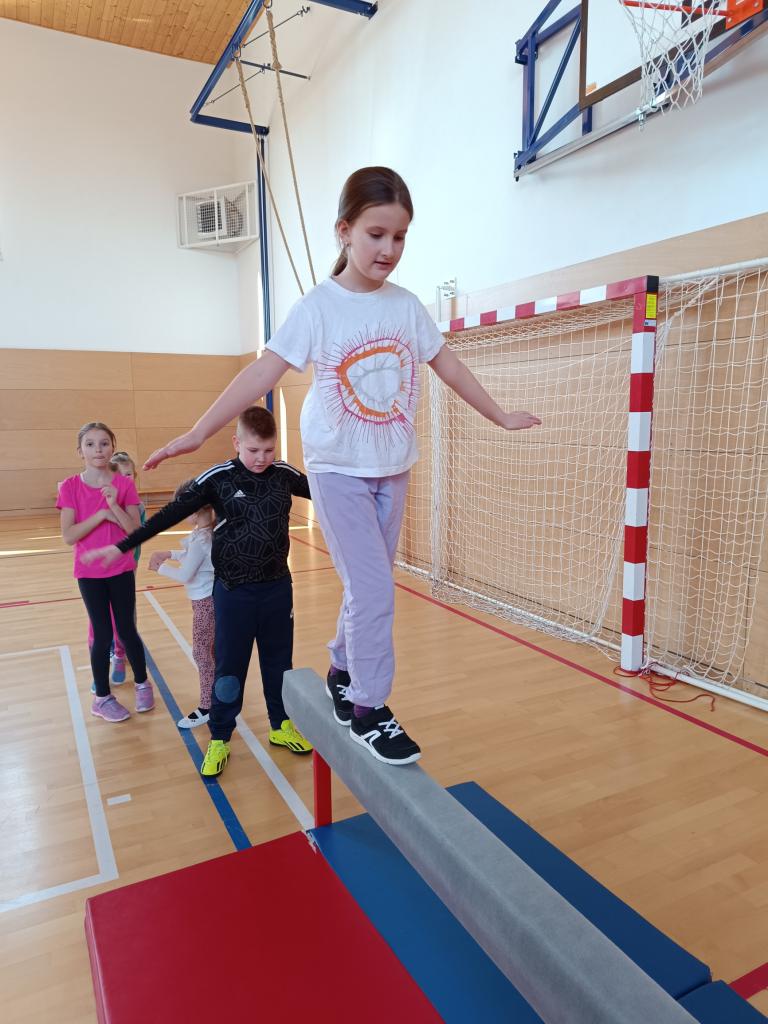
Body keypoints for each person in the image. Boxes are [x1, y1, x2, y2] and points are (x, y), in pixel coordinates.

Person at [141, 167, 542, 766]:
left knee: (367, 584)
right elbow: (263, 371)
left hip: (393, 467)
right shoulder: (319, 308)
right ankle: (368, 710)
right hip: (337, 469)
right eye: (377, 234)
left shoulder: (406, 307)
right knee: (375, 588)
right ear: (344, 231)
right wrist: (200, 431)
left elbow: (449, 365)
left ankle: (342, 667)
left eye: (400, 237)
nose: (389, 249)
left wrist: (499, 415)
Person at [83, 406, 313, 777]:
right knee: (228, 670)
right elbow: (168, 515)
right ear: (237, 442)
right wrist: (123, 545)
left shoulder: (284, 474)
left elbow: (329, 493)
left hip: (277, 590)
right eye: (253, 450)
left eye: (269, 450)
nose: (261, 458)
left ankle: (280, 724)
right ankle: (220, 736)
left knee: (278, 664)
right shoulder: (218, 479)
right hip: (234, 594)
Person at [58, 422, 155, 722]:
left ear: (113, 447)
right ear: (80, 451)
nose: (97, 449)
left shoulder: (124, 485)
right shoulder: (70, 487)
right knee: (101, 635)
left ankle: (142, 684)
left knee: (127, 629)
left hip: (121, 568)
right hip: (89, 573)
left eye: (103, 443)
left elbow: (134, 531)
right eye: (90, 444)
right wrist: (101, 515)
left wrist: (113, 505)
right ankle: (101, 698)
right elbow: (69, 535)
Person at [147, 480, 215, 729]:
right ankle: (217, 696)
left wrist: (160, 567)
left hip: (206, 604)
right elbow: (195, 557)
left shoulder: (202, 539)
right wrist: (170, 554)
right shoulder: (206, 531)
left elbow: (186, 574)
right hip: (209, 601)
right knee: (211, 652)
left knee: (202, 653)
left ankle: (208, 706)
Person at [86, 450, 146, 689]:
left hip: (126, 565)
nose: (125, 479)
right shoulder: (101, 500)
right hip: (99, 570)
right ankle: (103, 662)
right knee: (100, 620)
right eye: (120, 475)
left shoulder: (137, 505)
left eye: (129, 474)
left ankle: (122, 652)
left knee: (125, 615)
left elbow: (136, 534)